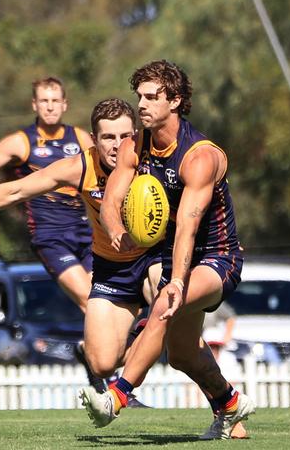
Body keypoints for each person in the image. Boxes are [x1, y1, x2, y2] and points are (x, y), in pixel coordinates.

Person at [0, 98, 160, 403]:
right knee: (103, 362)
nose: (117, 145)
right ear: (94, 139)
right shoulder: (80, 166)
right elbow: (16, 189)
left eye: (124, 137)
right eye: (108, 137)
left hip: (151, 257)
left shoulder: (153, 162)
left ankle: (204, 396)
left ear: (134, 135)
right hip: (111, 266)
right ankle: (138, 342)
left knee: (162, 290)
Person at [81, 60, 255, 440]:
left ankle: (116, 397)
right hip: (171, 253)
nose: (141, 104)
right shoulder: (135, 145)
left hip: (216, 257)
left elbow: (188, 227)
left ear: (175, 100)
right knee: (181, 355)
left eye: (151, 97)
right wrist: (114, 231)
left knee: (163, 304)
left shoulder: (200, 156)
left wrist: (176, 281)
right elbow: (112, 199)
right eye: (139, 96)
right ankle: (230, 405)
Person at [0, 77, 94, 312]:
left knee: (100, 301)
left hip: (87, 233)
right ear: (35, 104)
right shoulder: (21, 142)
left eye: (55, 100)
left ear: (65, 104)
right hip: (50, 236)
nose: (50, 106)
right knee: (87, 297)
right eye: (44, 101)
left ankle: (92, 347)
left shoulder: (80, 138)